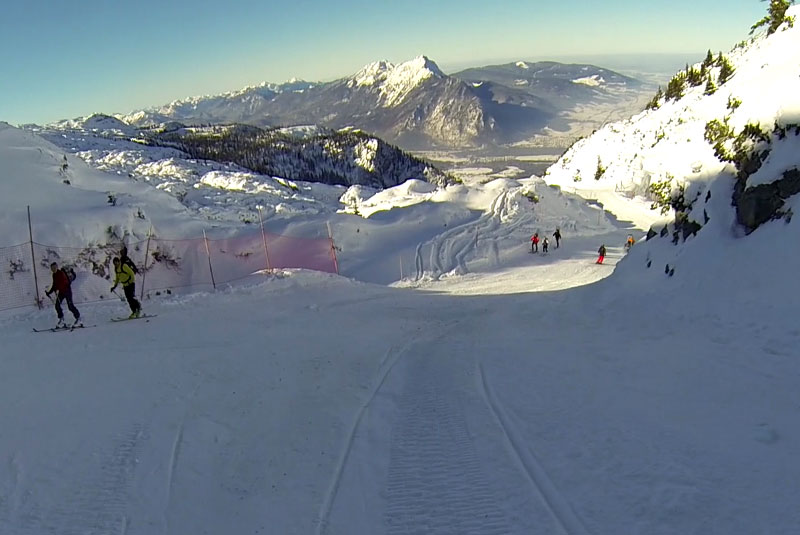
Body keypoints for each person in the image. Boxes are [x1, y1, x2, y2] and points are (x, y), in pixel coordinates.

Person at [45, 262, 81, 328]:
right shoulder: (54, 275)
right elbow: (54, 285)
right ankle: (61, 319)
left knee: (70, 306)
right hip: (61, 292)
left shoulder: (61, 273)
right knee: (57, 306)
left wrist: (56, 289)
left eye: (54, 268)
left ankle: (78, 318)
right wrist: (49, 292)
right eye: (52, 268)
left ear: (57, 267)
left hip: (67, 291)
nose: (53, 269)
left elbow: (64, 283)